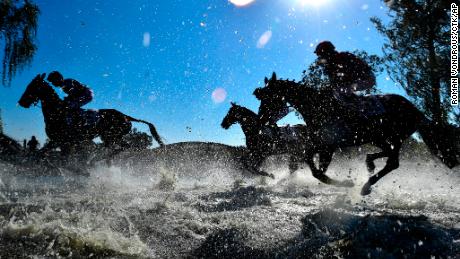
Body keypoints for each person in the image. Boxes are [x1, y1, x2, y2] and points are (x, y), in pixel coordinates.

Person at [314, 41, 377, 117]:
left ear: (328, 52)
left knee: (342, 90)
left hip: (367, 78)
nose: (320, 57)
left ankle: (363, 112)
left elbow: (347, 76)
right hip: (355, 81)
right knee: (337, 92)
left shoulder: (343, 57)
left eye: (321, 55)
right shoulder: (330, 65)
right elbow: (334, 83)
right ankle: (355, 108)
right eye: (319, 56)